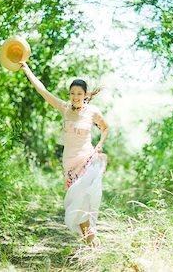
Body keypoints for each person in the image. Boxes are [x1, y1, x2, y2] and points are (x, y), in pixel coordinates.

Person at [19, 61, 109, 244]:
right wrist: (26, 69)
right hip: (69, 162)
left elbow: (105, 128)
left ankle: (90, 238)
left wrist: (100, 144)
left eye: (79, 94)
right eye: (73, 93)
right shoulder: (64, 108)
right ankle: (89, 238)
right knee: (75, 199)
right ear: (69, 94)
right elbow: (42, 90)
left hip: (87, 158)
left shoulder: (92, 112)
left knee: (84, 196)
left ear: (85, 95)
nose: (75, 97)